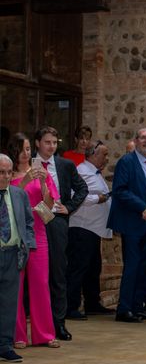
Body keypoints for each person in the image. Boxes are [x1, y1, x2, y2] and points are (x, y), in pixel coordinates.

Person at [35, 126, 89, 341]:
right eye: (47, 142)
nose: (51, 146)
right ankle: (32, 321)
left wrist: (69, 207)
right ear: (38, 143)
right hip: (33, 221)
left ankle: (58, 323)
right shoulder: (29, 163)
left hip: (56, 220)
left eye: (55, 143)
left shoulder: (65, 165)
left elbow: (82, 188)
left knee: (58, 272)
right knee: (36, 275)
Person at [8, 134, 60, 349]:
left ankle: (45, 335)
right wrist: (26, 180)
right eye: (21, 149)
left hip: (38, 231)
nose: (26, 153)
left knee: (40, 284)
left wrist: (42, 182)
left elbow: (49, 204)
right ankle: (18, 335)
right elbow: (9, 199)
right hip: (14, 233)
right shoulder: (7, 175)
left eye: (28, 149)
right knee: (16, 287)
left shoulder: (43, 173)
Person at [107, 128, 146, 323]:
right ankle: (124, 309)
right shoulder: (127, 162)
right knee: (132, 266)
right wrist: (141, 207)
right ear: (136, 141)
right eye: (143, 138)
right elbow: (120, 190)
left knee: (144, 266)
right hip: (132, 222)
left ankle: (138, 307)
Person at [65, 141, 114, 320]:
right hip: (82, 228)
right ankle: (70, 307)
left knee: (93, 268)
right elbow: (73, 195)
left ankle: (92, 303)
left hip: (93, 229)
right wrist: (97, 199)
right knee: (78, 268)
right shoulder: (81, 171)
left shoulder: (94, 172)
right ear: (93, 154)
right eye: (104, 154)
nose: (107, 158)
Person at [0, 153, 35, 363]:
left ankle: (4, 345)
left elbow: (28, 222)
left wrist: (28, 245)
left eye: (7, 172)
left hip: (13, 256)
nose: (4, 176)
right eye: (0, 172)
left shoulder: (18, 195)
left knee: (9, 303)